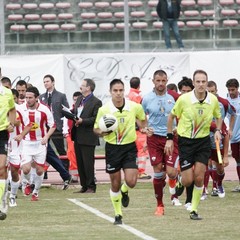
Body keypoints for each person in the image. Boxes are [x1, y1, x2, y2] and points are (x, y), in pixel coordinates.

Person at [165, 69, 222, 220]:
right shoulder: (184, 100)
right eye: (198, 81)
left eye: (203, 81)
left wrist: (218, 130)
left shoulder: (213, 100)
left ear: (207, 82)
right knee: (188, 180)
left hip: (203, 142)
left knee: (199, 177)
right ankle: (180, 181)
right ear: (193, 83)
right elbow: (171, 117)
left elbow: (218, 116)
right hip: (186, 142)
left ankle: (194, 210)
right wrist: (170, 138)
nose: (201, 84)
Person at [94, 79, 152, 225]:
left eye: (121, 90)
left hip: (129, 148)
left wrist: (144, 128)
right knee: (115, 183)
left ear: (124, 91)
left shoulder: (134, 107)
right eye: (115, 91)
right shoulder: (104, 110)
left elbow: (142, 120)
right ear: (110, 92)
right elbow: (96, 128)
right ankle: (118, 214)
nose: (118, 93)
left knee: (132, 181)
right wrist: (102, 132)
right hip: (112, 148)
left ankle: (125, 190)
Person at [142, 70, 180, 215]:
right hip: (154, 139)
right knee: (158, 171)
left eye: (163, 81)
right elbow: (141, 116)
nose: (161, 84)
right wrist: (145, 129)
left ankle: (175, 183)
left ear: (167, 80)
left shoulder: (174, 97)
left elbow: (183, 114)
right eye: (158, 81)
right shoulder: (146, 98)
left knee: (171, 172)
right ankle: (160, 205)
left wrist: (179, 128)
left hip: (170, 137)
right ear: (153, 81)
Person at [16, 87, 56, 201]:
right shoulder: (21, 108)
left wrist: (46, 137)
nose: (27, 100)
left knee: (39, 170)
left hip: (40, 143)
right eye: (26, 97)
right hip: (26, 142)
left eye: (30, 98)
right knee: (26, 169)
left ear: (36, 98)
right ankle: (26, 183)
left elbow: (53, 125)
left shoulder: (44, 109)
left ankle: (36, 192)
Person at [199, 80, 235, 200]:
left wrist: (230, 128)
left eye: (212, 91)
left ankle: (219, 184)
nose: (210, 93)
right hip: (204, 136)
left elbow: (233, 113)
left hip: (219, 136)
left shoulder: (223, 103)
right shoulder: (201, 102)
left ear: (216, 90)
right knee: (204, 164)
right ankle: (204, 190)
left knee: (219, 167)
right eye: (208, 92)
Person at [71, 79, 102, 193]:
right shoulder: (79, 99)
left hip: (88, 137)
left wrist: (82, 121)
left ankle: (91, 186)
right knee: (80, 162)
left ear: (88, 88)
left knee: (88, 163)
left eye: (83, 85)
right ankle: (83, 185)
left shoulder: (96, 102)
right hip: (78, 135)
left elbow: (95, 118)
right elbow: (76, 113)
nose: (80, 87)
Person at [39, 74, 70, 172]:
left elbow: (66, 110)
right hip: (45, 128)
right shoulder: (41, 97)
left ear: (53, 82)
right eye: (44, 82)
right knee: (43, 150)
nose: (45, 83)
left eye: (47, 81)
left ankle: (65, 171)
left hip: (57, 127)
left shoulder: (61, 96)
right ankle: (43, 173)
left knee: (61, 150)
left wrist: (64, 126)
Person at [176, 76, 194, 211]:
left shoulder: (197, 103)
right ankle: (180, 180)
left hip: (194, 140)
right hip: (178, 140)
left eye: (188, 91)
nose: (185, 93)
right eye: (183, 91)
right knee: (176, 170)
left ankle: (189, 200)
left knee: (193, 170)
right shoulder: (176, 102)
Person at [127, 77, 151, 180]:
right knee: (142, 150)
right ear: (139, 85)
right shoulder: (138, 97)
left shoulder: (127, 96)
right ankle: (141, 172)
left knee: (133, 150)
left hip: (128, 127)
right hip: (138, 128)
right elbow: (142, 112)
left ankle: (133, 172)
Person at [0, 80, 16, 220]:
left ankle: (1, 201)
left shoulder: (7, 92)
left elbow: (12, 109)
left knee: (1, 168)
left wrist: (11, 123)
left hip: (2, 134)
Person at [226, 78, 240, 192]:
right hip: (234, 137)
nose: (231, 92)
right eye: (229, 90)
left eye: (233, 89)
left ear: (237, 88)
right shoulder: (226, 102)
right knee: (238, 160)